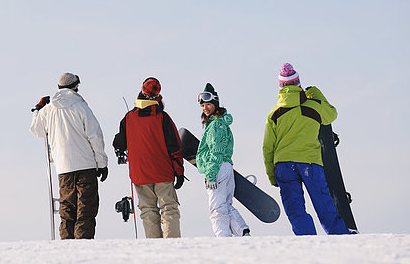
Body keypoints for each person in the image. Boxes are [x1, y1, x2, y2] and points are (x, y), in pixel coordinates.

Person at [263, 63, 351, 235]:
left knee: (295, 210)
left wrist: (272, 176)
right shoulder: (312, 106)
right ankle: (340, 236)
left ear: (280, 87)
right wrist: (315, 93)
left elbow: (268, 148)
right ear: (298, 84)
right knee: (324, 205)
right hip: (310, 163)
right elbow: (332, 114)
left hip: (284, 165)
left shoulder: (274, 113)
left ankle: (307, 241)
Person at [30, 72, 109, 239]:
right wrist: (101, 163)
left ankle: (67, 245)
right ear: (76, 87)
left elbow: (37, 130)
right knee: (86, 208)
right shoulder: (81, 107)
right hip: (86, 165)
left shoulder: (48, 109)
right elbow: (95, 136)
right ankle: (83, 243)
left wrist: (37, 110)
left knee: (67, 209)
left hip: (63, 167)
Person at [113, 77, 185, 238]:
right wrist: (179, 172)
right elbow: (175, 147)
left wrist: (119, 149)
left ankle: (155, 245)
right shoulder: (162, 117)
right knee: (169, 208)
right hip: (162, 172)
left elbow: (119, 142)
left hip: (140, 174)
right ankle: (172, 244)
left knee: (148, 210)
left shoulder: (129, 118)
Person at [195, 83, 250, 237]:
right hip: (226, 167)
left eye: (208, 105)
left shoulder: (215, 126)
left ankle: (223, 239)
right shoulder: (219, 123)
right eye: (203, 105)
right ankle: (242, 232)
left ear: (215, 104)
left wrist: (211, 174)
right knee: (226, 205)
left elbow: (216, 151)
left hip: (217, 168)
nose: (205, 108)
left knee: (217, 208)